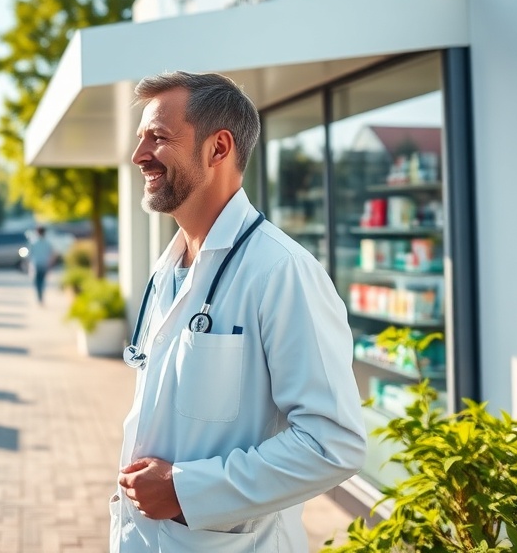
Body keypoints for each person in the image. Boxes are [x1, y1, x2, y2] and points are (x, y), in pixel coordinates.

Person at [111, 71, 366, 552]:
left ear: (218, 147)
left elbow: (334, 443)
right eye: (141, 137)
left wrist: (186, 490)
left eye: (158, 137)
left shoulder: (281, 271)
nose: (139, 154)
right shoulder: (166, 271)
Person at [25, 225, 56, 304]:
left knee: (37, 282)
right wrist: (50, 264)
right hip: (44, 264)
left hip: (36, 264)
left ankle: (39, 296)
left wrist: (28, 265)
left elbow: (29, 255)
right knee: (42, 281)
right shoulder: (48, 243)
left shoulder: (33, 242)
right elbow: (52, 254)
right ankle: (41, 295)